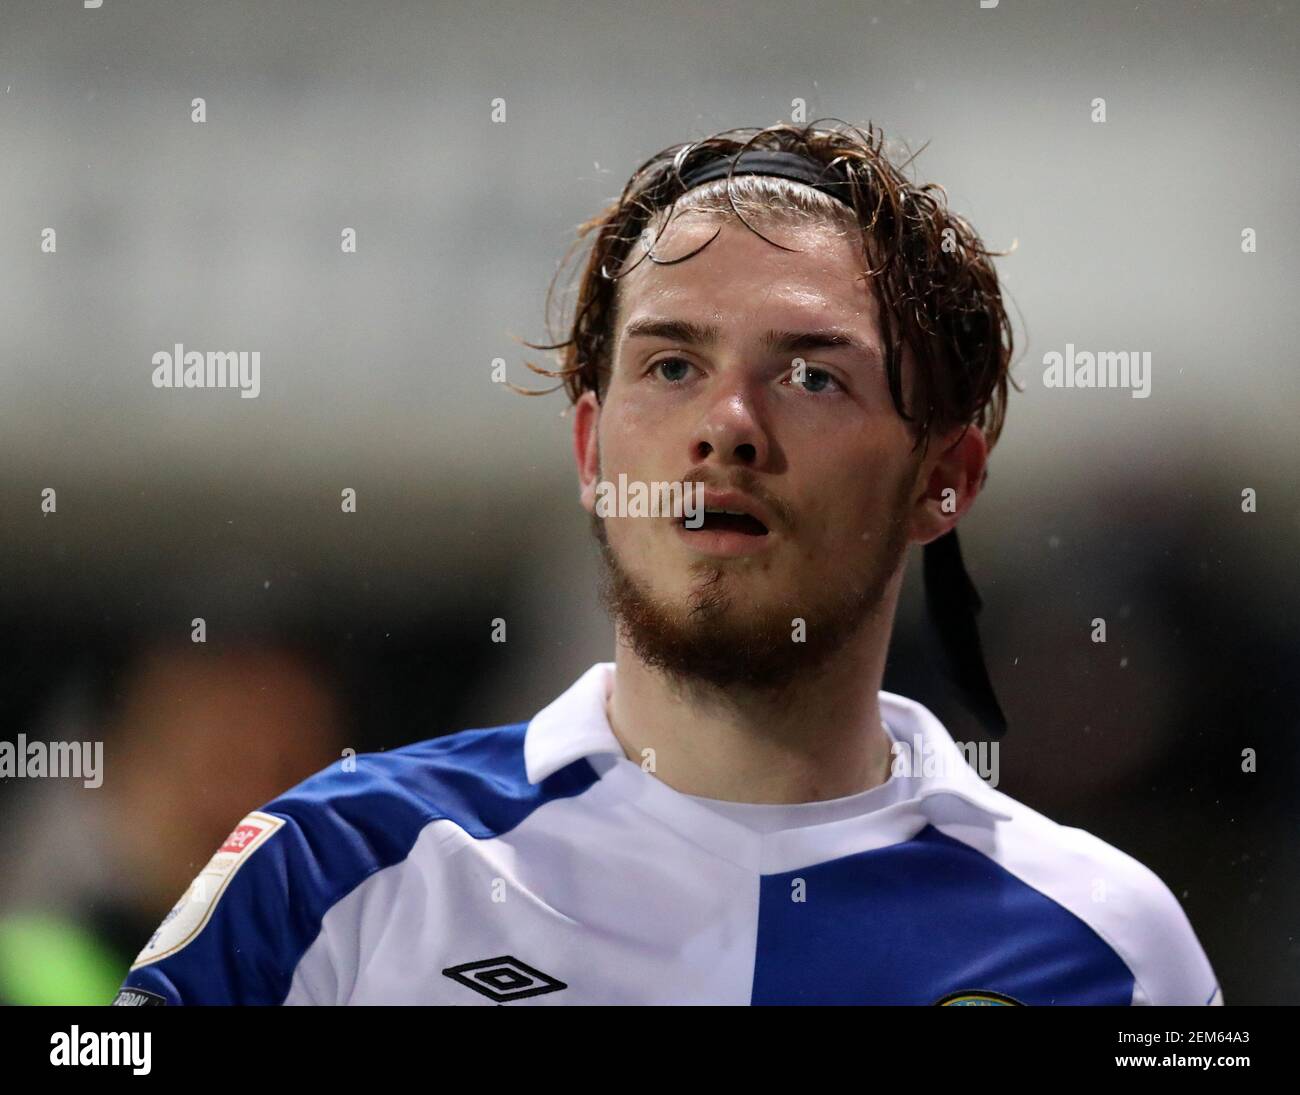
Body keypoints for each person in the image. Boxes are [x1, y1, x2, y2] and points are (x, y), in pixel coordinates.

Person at [113, 122, 1219, 1005]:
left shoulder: (1104, 950)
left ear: (945, 480)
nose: (727, 426)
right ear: (593, 450)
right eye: (674, 363)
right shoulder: (334, 871)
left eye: (812, 377)